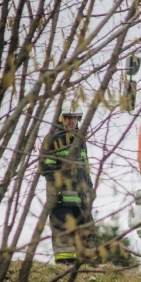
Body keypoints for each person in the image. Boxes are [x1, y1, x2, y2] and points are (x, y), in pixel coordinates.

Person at [40, 109, 94, 264]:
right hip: (61, 200)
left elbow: (85, 168)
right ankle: (64, 271)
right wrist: (55, 191)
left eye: (75, 118)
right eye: (68, 118)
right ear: (60, 118)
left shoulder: (80, 140)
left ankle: (88, 270)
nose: (72, 122)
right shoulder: (52, 139)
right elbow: (47, 169)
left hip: (82, 200)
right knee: (64, 240)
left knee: (88, 239)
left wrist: (90, 189)